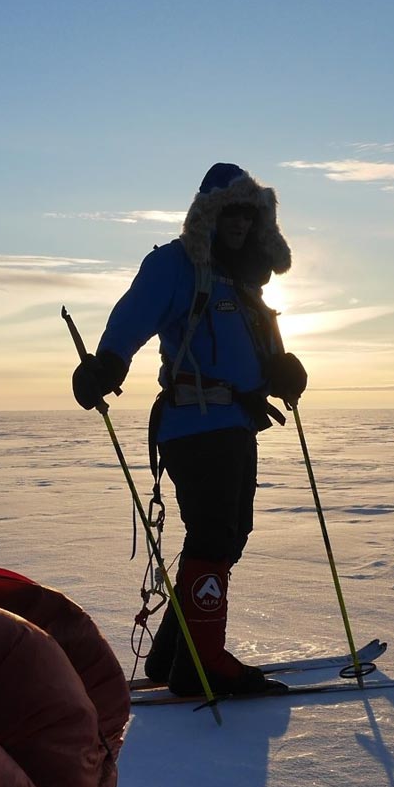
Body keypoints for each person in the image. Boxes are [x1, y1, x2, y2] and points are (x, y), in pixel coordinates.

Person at [71, 162, 309, 696]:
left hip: (236, 425)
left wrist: (283, 368)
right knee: (215, 535)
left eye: (250, 214)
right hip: (195, 425)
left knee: (226, 537)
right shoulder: (178, 265)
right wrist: (106, 365)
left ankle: (175, 656)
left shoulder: (240, 278)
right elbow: (134, 315)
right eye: (231, 212)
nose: (241, 224)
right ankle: (202, 664)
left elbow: (260, 348)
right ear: (209, 215)